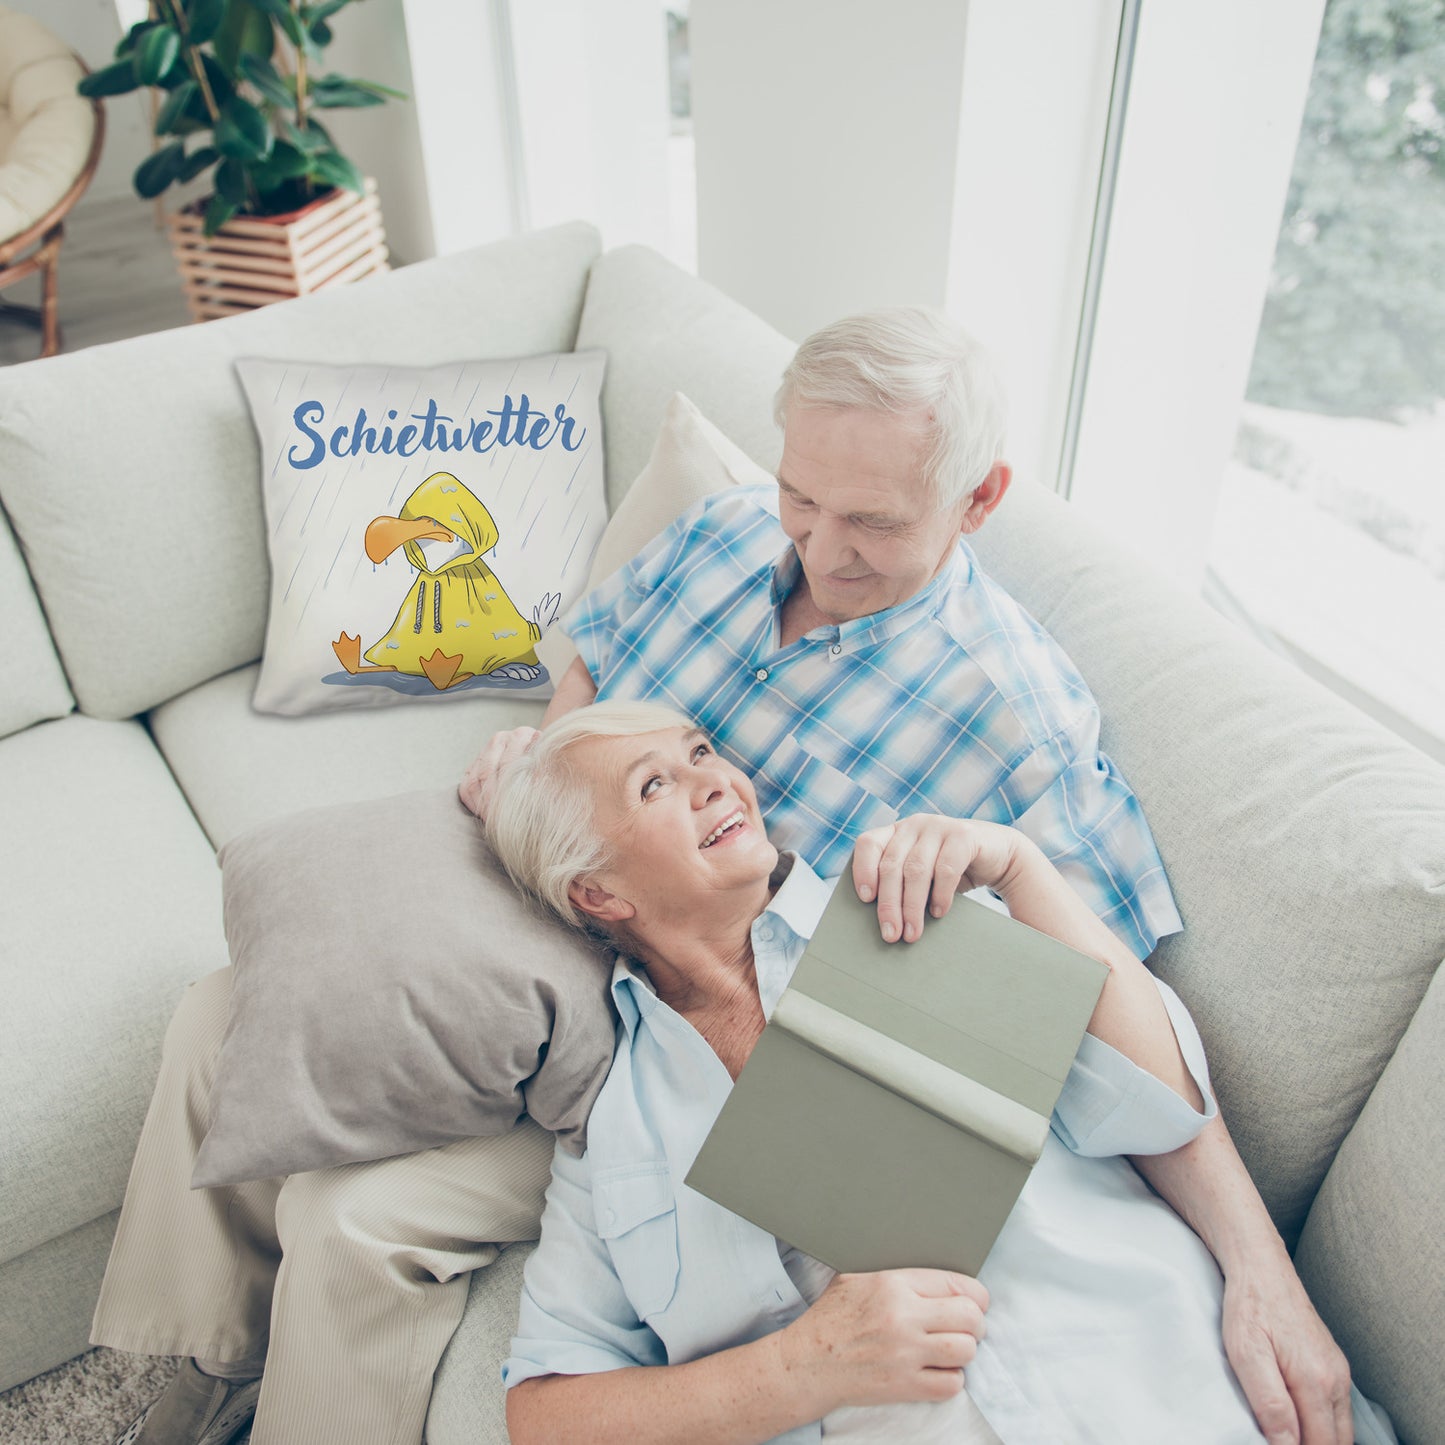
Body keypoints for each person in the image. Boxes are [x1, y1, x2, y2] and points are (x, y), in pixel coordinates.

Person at [94, 309, 1348, 1445]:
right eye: (804, 495)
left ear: (976, 501)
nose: (818, 545)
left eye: (871, 520)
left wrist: (1260, 1266)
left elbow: (1103, 1021)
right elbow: (591, 667)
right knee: (229, 1007)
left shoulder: (1016, 724)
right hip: (580, 888)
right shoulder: (725, 532)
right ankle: (192, 1363)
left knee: (354, 1218)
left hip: (693, 1014)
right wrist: (544, 765)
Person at [487, 701, 1384, 1445]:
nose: (715, 779)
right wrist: (803, 1367)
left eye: (700, 752)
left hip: (1175, 1392)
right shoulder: (614, 1132)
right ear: (597, 893)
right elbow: (544, 1412)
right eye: (655, 784)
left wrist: (1021, 868)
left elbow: (1158, 1106)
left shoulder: (909, 907)